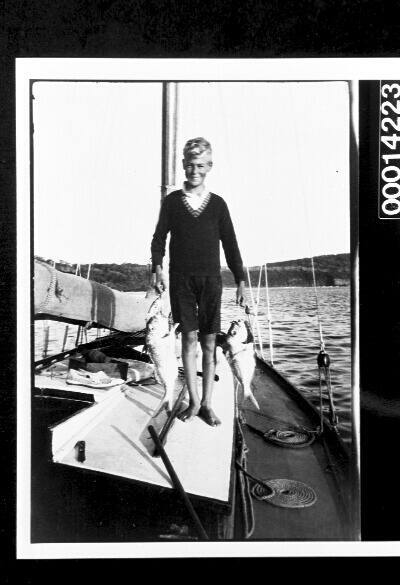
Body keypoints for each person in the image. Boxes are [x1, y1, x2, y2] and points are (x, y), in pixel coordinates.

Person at [151, 137, 246, 426]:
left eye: (201, 166)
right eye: (190, 165)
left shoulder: (218, 205)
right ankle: (193, 402)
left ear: (209, 167)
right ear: (183, 165)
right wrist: (157, 266)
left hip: (211, 282)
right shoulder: (172, 202)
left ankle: (207, 403)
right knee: (188, 339)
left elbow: (230, 244)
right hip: (181, 280)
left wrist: (241, 279)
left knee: (208, 343)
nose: (195, 171)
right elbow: (158, 239)